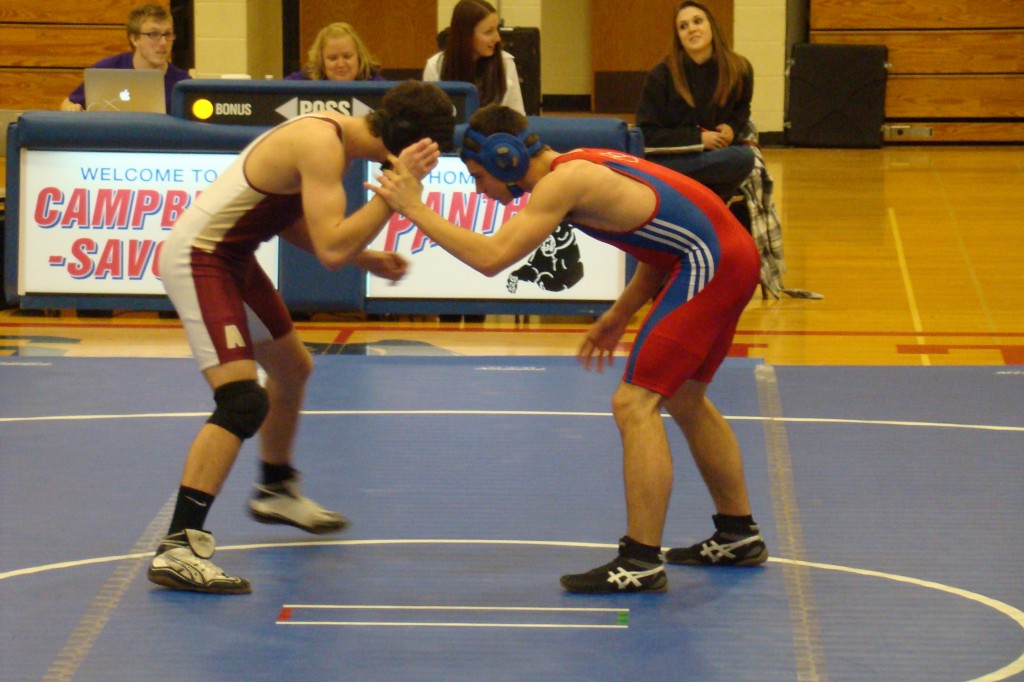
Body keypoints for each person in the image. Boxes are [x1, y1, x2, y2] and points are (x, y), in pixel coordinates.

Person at [367, 104, 769, 594]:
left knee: (634, 403)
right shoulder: (581, 163)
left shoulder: (563, 183)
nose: (478, 190)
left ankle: (641, 560)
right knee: (685, 398)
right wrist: (620, 313)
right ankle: (737, 533)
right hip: (725, 256)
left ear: (505, 157)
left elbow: (492, 258)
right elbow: (665, 241)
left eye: (477, 176)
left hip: (712, 262)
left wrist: (415, 208)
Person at [147, 81, 456, 594]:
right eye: (427, 153)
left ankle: (275, 488)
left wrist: (366, 257)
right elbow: (331, 250)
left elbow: (294, 222)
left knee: (292, 369)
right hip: (200, 258)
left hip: (229, 258)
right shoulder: (321, 144)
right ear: (406, 141)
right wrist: (396, 193)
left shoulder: (330, 142)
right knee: (242, 401)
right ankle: (179, 546)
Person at [635, 1, 754, 202]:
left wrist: (732, 127)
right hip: (674, 160)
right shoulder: (661, 75)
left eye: (697, 21)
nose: (691, 29)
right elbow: (646, 135)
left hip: (716, 158)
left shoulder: (740, 69)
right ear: (679, 37)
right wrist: (699, 139)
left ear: (711, 26)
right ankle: (710, 201)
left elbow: (742, 108)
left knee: (744, 158)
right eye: (683, 26)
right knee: (653, 168)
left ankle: (698, 199)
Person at [60, 3, 190, 113]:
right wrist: (72, 109)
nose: (163, 42)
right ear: (135, 39)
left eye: (167, 34)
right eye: (154, 34)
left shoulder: (183, 83)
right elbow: (68, 103)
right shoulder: (106, 70)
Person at [423, 0, 525, 115]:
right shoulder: (435, 67)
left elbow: (518, 117)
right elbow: (429, 118)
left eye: (497, 29)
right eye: (489, 32)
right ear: (466, 35)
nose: (497, 38)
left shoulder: (506, 63)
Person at [285, 21, 385, 82]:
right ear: (321, 61)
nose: (341, 64)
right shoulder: (301, 81)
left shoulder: (378, 88)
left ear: (359, 57)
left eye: (347, 56)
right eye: (332, 58)